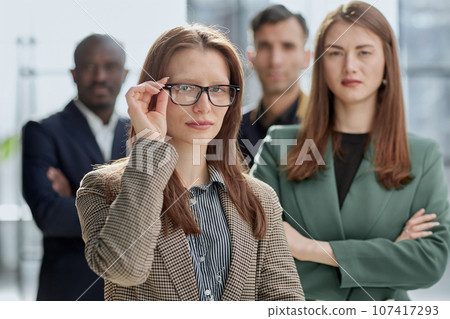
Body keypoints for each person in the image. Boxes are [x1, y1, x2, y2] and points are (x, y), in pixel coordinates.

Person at [75, 24, 304, 301]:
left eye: (218, 89)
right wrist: (149, 143)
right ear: (153, 91)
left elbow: (285, 301)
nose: (204, 106)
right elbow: (125, 269)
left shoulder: (260, 198)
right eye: (185, 87)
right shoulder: (104, 188)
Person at [251, 1, 450, 301]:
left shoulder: (422, 155)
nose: (349, 66)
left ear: (387, 60)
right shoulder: (279, 145)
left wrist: (307, 248)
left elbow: (430, 261)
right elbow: (255, 246)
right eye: (335, 52)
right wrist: (390, 256)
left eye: (364, 52)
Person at [22, 34, 129, 300]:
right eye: (89, 66)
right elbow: (50, 216)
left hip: (130, 294)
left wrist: (78, 200)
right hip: (68, 291)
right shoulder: (43, 132)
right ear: (73, 73)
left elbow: (165, 211)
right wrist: (133, 208)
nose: (100, 76)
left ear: (125, 73)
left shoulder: (141, 136)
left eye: (111, 66)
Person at [239, 4, 311, 167]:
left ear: (306, 57)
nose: (275, 60)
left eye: (288, 46)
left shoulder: (327, 124)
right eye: (265, 46)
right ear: (251, 57)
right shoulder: (232, 129)